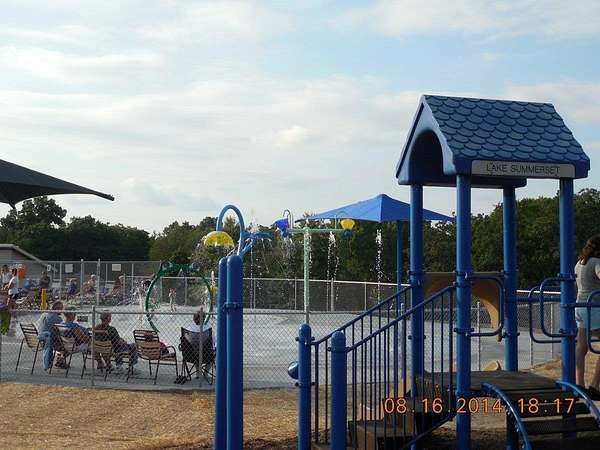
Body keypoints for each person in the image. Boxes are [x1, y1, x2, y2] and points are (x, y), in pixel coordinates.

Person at [575, 235, 600, 397]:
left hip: (580, 306)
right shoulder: (597, 262)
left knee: (581, 346)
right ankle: (595, 385)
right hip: (594, 308)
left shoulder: (579, 263)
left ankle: (579, 384)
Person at [38, 301, 64, 371]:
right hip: (49, 341)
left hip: (39, 340)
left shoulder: (44, 315)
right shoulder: (58, 318)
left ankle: (59, 361)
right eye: (61, 309)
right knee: (65, 344)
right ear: (57, 309)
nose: (62, 311)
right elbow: (62, 331)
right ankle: (59, 361)